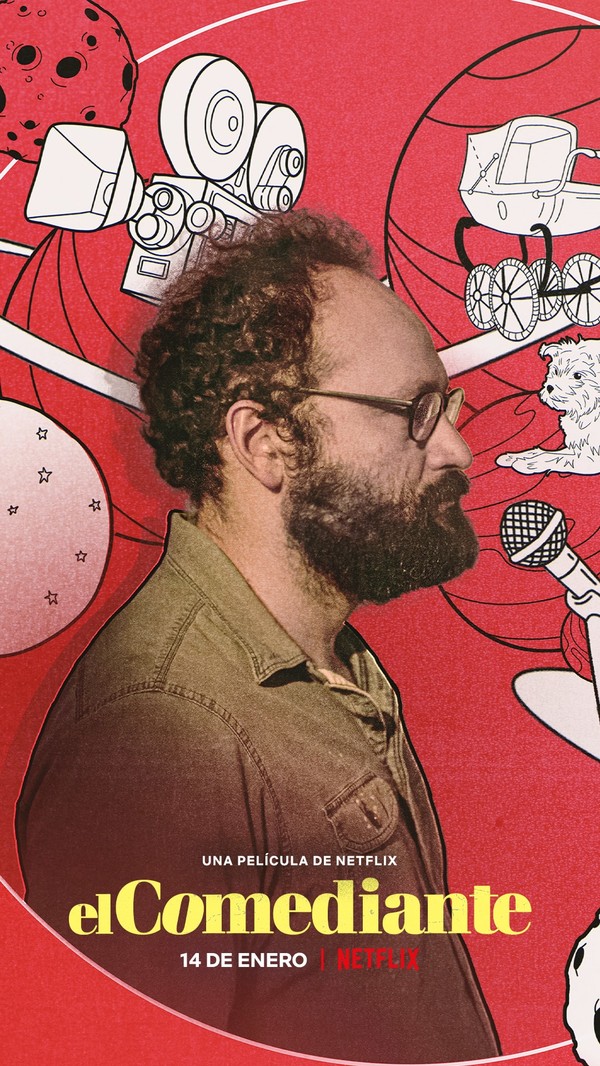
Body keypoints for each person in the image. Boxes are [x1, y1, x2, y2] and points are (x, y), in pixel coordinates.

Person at [17, 211, 500, 1063]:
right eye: (414, 413)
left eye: (447, 407)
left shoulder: (331, 664)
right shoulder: (159, 728)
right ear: (266, 443)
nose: (456, 449)